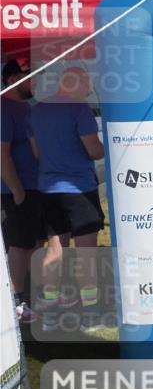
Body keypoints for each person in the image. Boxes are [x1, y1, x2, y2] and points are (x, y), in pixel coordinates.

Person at [31, 67, 105, 331]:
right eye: (87, 81)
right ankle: (91, 314)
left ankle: (50, 312)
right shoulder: (79, 109)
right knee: (86, 254)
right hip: (79, 189)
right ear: (75, 83)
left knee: (55, 251)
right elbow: (94, 150)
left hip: (48, 188)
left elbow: (36, 151)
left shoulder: (38, 109)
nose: (89, 86)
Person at [1, 60, 43, 323]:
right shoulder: (4, 109)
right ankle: (16, 302)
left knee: (34, 242)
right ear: (13, 78)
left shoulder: (24, 108)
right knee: (19, 244)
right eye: (31, 77)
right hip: (15, 189)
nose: (35, 82)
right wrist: (16, 189)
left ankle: (29, 297)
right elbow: (2, 154)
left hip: (34, 186)